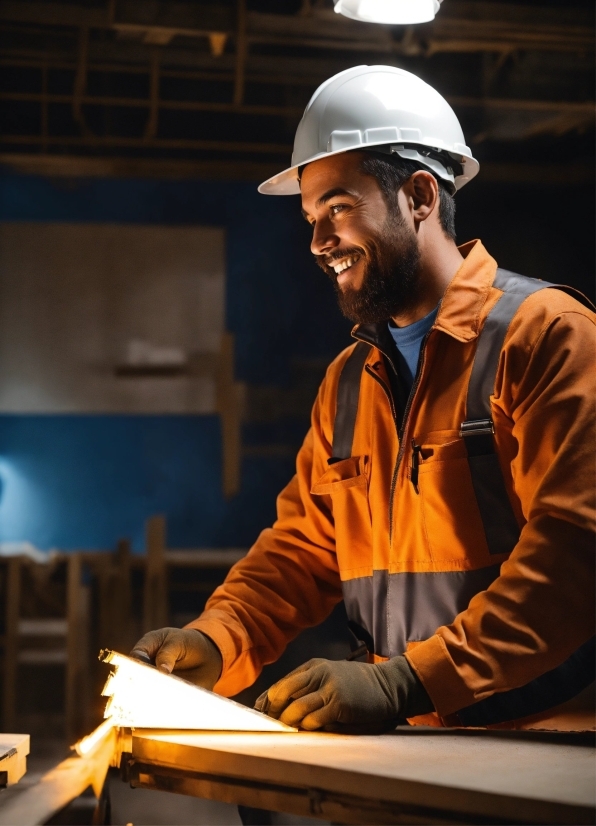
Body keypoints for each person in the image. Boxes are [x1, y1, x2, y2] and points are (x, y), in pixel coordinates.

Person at [132, 66, 595, 732]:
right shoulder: (350, 381)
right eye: (312, 217)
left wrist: (403, 683)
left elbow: (574, 560)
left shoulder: (546, 337)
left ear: (420, 195)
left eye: (339, 208)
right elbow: (303, 549)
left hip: (550, 751)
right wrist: (216, 639)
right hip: (413, 746)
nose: (319, 242)